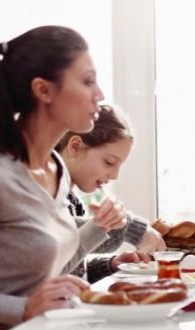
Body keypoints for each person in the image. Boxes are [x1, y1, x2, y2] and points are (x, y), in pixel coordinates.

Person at [0, 26, 129, 330]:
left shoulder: (56, 170)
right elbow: (26, 303)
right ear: (43, 90)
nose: (99, 94)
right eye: (87, 81)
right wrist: (22, 308)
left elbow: (44, 262)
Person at [56, 104, 166, 283]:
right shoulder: (46, 193)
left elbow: (69, 269)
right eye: (109, 162)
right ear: (75, 147)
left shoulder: (73, 200)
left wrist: (111, 264)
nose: (114, 175)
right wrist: (130, 227)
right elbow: (60, 244)